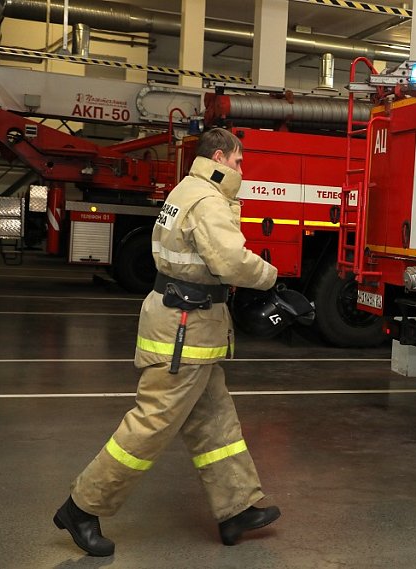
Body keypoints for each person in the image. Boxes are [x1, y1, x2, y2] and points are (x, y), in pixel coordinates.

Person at [53, 128, 280, 556]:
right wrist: (269, 275)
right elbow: (230, 261)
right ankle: (82, 506)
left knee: (215, 423)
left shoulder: (185, 189)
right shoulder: (209, 200)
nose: (241, 169)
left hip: (189, 325)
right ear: (219, 157)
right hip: (185, 330)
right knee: (151, 425)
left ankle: (236, 509)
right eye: (238, 161)